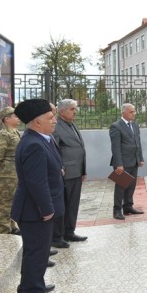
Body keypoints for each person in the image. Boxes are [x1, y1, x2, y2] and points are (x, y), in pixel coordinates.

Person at [11, 99, 64, 293]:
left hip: (37, 208)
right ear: (36, 121)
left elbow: (49, 167)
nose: (54, 121)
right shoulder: (33, 144)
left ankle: (33, 284)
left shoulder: (42, 138)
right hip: (35, 210)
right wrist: (46, 209)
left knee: (38, 250)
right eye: (50, 118)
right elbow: (36, 182)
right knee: (36, 250)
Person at [51, 99, 87, 247]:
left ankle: (69, 231)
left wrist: (83, 170)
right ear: (62, 111)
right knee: (62, 206)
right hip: (65, 172)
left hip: (77, 172)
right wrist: (60, 167)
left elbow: (79, 148)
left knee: (73, 204)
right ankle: (57, 236)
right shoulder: (56, 126)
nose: (75, 111)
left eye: (75, 108)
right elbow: (55, 149)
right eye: (72, 109)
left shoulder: (71, 125)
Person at [109, 103, 145, 220]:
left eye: (134, 111)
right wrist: (119, 164)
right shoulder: (116, 126)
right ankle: (117, 210)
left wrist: (140, 158)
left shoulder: (135, 125)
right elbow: (116, 147)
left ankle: (128, 206)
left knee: (131, 185)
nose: (134, 113)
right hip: (122, 163)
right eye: (131, 112)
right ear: (123, 113)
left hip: (134, 161)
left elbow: (138, 143)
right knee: (121, 186)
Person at [0, 106, 21, 234]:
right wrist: (6, 168)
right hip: (6, 175)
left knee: (13, 200)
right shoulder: (4, 135)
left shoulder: (15, 132)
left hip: (14, 173)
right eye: (15, 116)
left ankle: (12, 225)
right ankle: (4, 228)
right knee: (5, 202)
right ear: (7, 119)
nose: (18, 118)